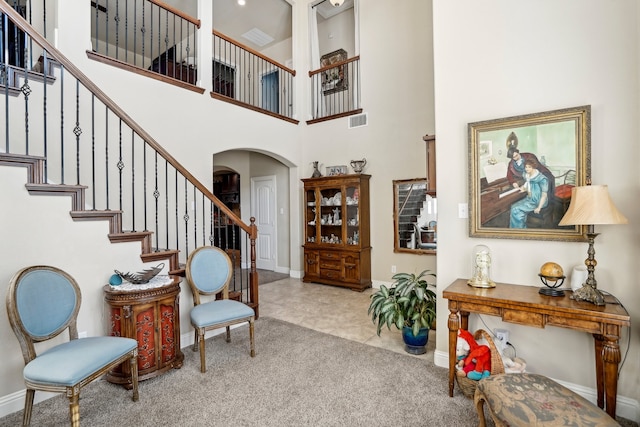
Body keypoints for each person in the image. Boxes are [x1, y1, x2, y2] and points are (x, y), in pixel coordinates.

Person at [509, 159, 549, 228]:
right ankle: (520, 228)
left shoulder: (542, 179)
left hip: (538, 201)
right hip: (530, 198)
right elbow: (528, 186)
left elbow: (544, 195)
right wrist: (523, 189)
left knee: (516, 210)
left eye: (529, 167)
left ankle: (519, 230)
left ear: (534, 167)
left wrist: (539, 207)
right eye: (526, 167)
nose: (527, 169)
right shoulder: (527, 176)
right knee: (513, 207)